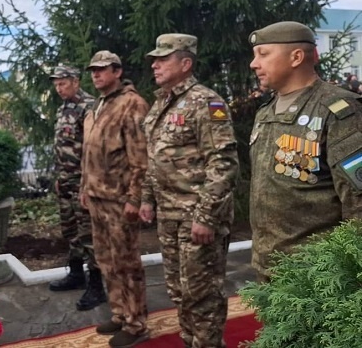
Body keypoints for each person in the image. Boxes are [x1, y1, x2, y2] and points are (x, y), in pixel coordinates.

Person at [139, 34, 239, 348]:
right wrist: (147, 198)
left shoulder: (207, 102)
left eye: (162, 58)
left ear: (185, 63)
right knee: (179, 291)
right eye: (154, 59)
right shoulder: (161, 103)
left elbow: (223, 162)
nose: (154, 65)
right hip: (169, 215)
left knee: (202, 294)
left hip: (196, 216)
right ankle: (189, 341)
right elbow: (154, 155)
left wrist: (207, 217)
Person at [248, 21, 362, 281]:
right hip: (268, 266)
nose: (254, 63)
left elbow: (357, 201)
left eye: (263, 54)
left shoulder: (339, 110)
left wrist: (352, 272)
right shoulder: (266, 112)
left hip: (317, 274)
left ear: (296, 57)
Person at [80, 51, 150, 348]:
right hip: (97, 197)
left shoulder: (132, 104)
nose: (96, 74)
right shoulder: (98, 105)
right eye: (93, 70)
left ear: (117, 71)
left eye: (102, 69)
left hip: (120, 200)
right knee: (106, 261)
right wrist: (85, 187)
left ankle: (136, 323)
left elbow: (141, 158)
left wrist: (136, 198)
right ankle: (120, 313)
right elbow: (89, 153)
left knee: (127, 262)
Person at [47, 64, 105, 310]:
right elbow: (63, 146)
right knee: (70, 231)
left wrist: (87, 184)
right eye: (56, 85)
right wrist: (59, 177)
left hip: (83, 183)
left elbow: (94, 150)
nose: (59, 89)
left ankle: (97, 286)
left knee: (88, 234)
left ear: (76, 82)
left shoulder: (89, 107)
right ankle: (76, 273)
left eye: (63, 84)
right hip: (66, 181)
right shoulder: (63, 109)